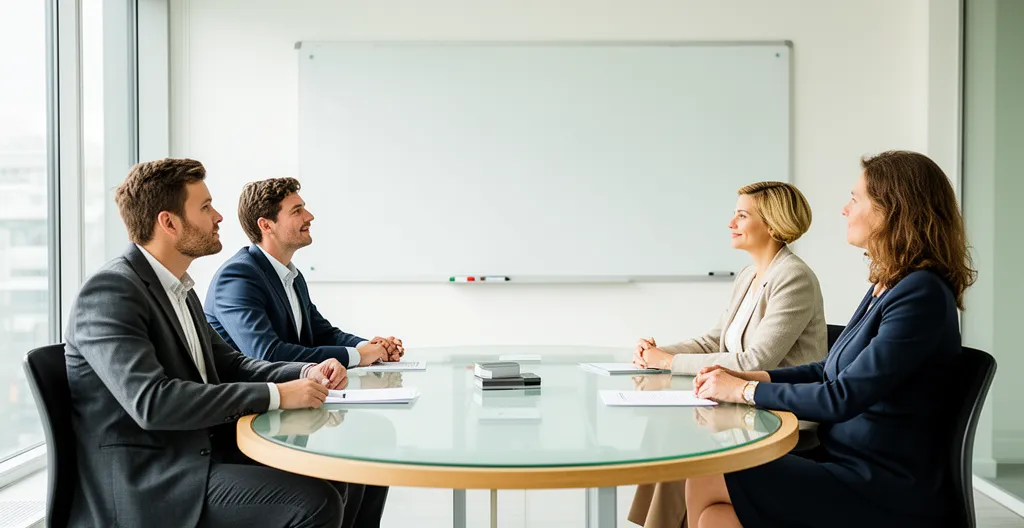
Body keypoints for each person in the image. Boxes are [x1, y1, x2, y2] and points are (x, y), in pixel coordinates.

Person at [687, 150, 976, 528]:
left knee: (709, 472)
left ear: (892, 210)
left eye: (855, 199)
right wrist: (757, 379)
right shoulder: (887, 285)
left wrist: (743, 393)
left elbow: (843, 396)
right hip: (842, 461)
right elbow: (829, 370)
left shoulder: (920, 294)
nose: (844, 209)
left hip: (881, 483)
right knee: (714, 515)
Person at [64, 158, 354, 528]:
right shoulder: (111, 291)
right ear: (168, 222)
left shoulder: (178, 288)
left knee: (338, 472)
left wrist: (306, 371)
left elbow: (232, 364)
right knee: (313, 502)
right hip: (156, 479)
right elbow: (153, 402)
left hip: (201, 452)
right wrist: (278, 395)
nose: (219, 217)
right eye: (205, 207)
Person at [629, 181, 827, 528]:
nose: (730, 223)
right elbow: (716, 340)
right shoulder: (750, 275)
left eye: (741, 215)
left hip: (780, 418)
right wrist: (658, 354)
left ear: (771, 224)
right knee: (670, 437)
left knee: (681, 446)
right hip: (741, 409)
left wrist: (669, 363)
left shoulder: (794, 277)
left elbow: (755, 361)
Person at [205, 177, 395, 525]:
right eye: (297, 210)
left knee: (375, 441)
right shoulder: (239, 276)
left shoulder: (289, 274)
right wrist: (357, 357)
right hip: (249, 421)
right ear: (267, 225)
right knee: (350, 458)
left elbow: (322, 331)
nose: (309, 215)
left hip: (297, 408)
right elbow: (267, 352)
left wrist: (369, 347)